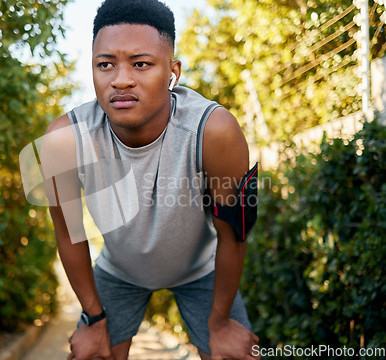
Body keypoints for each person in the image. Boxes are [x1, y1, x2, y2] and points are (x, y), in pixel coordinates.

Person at [42, 0, 260, 359]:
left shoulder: (214, 131)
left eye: (141, 64)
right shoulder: (64, 140)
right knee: (91, 354)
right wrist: (93, 318)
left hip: (202, 269)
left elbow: (234, 235)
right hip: (119, 271)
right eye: (105, 64)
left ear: (173, 72)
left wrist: (220, 323)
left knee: (234, 354)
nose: (121, 79)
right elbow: (68, 234)